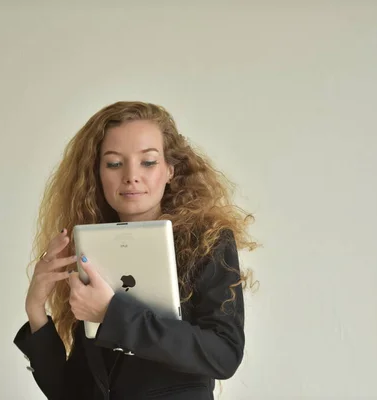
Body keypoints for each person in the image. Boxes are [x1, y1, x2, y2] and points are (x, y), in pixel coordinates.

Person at [14, 101, 257, 400]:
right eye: (114, 163)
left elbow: (223, 355)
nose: (131, 176)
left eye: (148, 162)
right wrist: (36, 310)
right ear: (97, 173)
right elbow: (71, 393)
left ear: (170, 169)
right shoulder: (92, 250)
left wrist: (112, 314)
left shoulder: (207, 242)